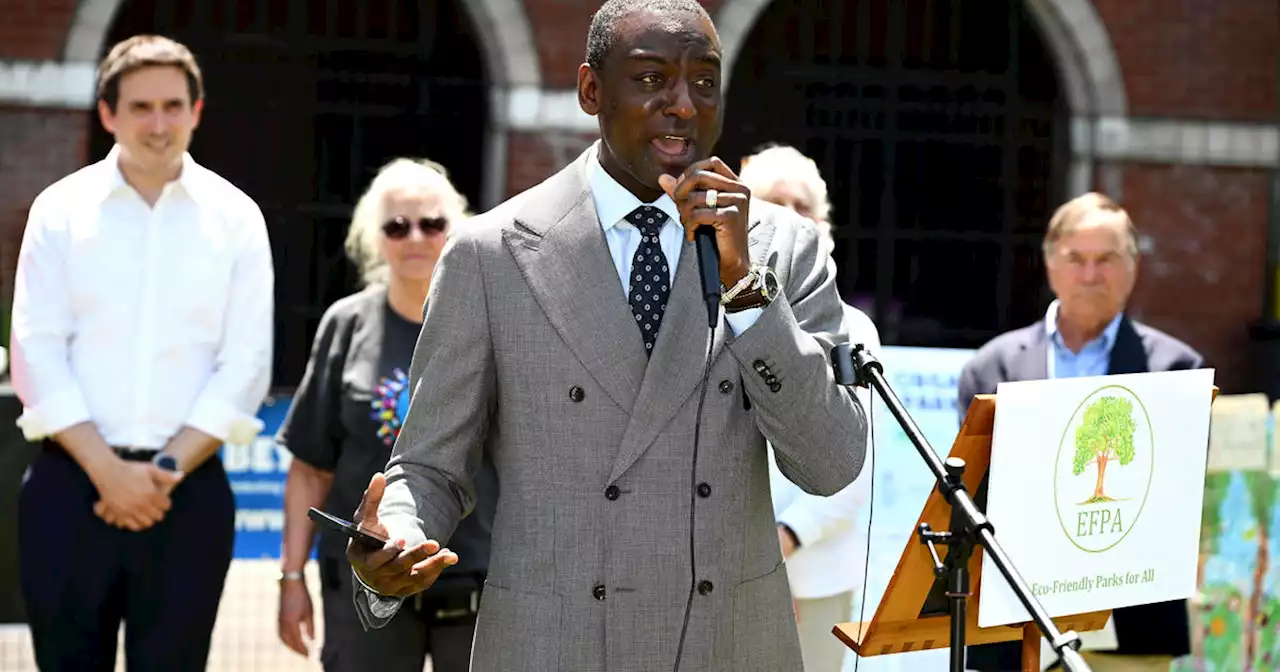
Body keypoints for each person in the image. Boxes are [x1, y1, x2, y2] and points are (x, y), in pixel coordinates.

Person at [343, 1, 869, 670]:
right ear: (592, 89)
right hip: (552, 645)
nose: (683, 104)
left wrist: (745, 287)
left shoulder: (783, 248)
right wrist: (399, 536)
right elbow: (429, 468)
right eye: (651, 79)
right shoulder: (491, 254)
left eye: (704, 81)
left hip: (726, 646)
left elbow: (831, 462)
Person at [10, 34, 273, 670]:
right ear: (109, 114)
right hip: (71, 486)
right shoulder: (60, 211)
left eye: (173, 105)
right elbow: (34, 352)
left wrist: (159, 471)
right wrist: (107, 471)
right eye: (141, 107)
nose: (159, 124)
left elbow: (246, 365)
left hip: (185, 491)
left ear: (196, 110)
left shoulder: (237, 218)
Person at [957, 192, 1204, 672]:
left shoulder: (1177, 372)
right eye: (1076, 259)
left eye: (1106, 259)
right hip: (1014, 627)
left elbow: (1174, 503)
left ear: (1133, 267)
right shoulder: (992, 367)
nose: (1091, 275)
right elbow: (978, 492)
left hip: (1131, 629)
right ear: (1050, 264)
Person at [274, 158, 497, 672]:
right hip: (364, 585)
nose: (415, 237)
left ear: (458, 230)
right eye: (397, 226)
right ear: (374, 238)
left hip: (477, 582)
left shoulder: (493, 321)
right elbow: (310, 467)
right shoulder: (346, 325)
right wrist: (291, 580)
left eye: (432, 223)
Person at [743, 143, 877, 672]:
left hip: (819, 578)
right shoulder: (707, 319)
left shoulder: (854, 328)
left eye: (804, 207)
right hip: (722, 576)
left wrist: (785, 541)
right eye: (775, 203)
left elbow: (855, 463)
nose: (792, 219)